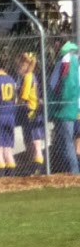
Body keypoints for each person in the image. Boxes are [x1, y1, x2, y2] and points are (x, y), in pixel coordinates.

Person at [49, 40, 80, 176]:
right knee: (67, 142)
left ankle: (74, 173)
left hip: (66, 108)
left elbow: (67, 82)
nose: (53, 48)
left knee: (67, 142)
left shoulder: (67, 59)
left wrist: (62, 102)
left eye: (54, 44)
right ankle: (72, 171)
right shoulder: (69, 58)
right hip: (67, 107)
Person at [15, 52, 46, 175]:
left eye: (20, 65)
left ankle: (38, 168)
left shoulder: (28, 76)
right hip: (28, 111)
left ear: (25, 64)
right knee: (29, 142)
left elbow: (25, 95)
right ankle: (34, 167)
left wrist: (18, 101)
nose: (18, 68)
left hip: (31, 111)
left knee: (35, 142)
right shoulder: (29, 76)